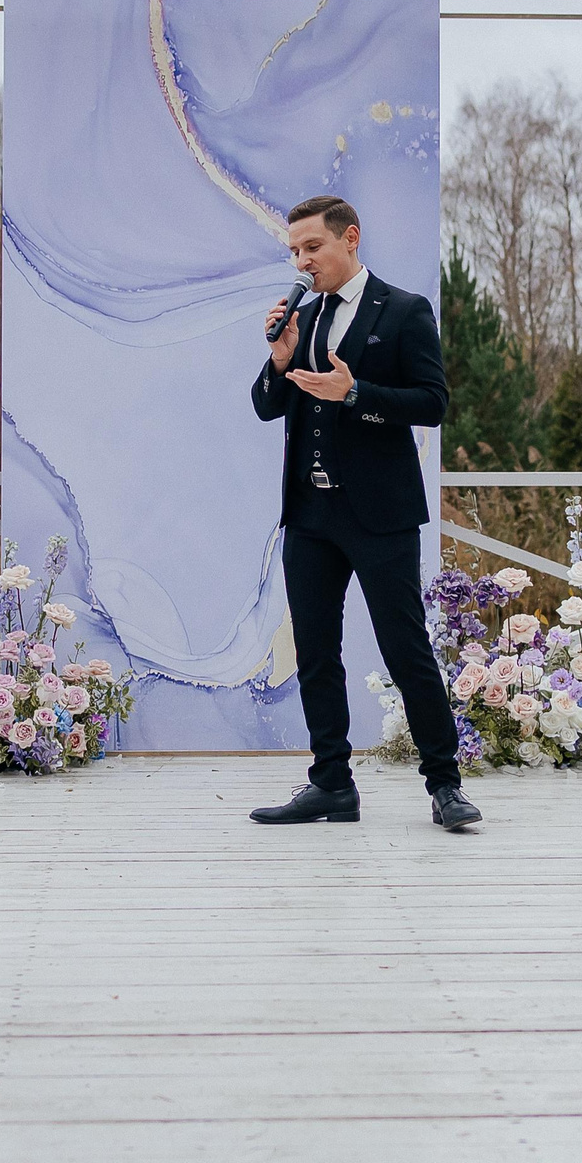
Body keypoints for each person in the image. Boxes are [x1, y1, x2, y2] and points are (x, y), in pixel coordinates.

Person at [247, 195, 474, 831]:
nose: (302, 261)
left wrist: (357, 393)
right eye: (293, 251)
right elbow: (267, 406)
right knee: (316, 652)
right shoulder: (302, 318)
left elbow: (431, 403)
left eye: (312, 247)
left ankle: (445, 784)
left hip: (380, 514)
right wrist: (280, 359)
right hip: (310, 515)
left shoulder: (404, 311)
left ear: (350, 238)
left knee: (405, 648)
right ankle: (331, 784)